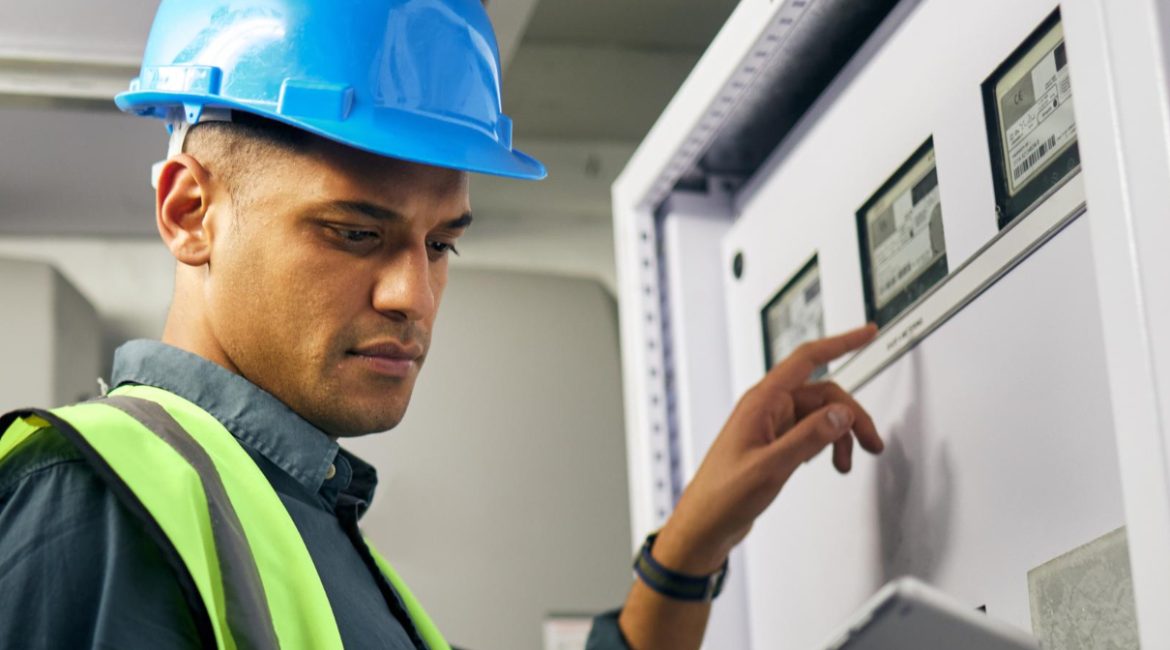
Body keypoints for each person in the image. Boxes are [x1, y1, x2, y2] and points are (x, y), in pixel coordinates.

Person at [0, 1, 884, 649]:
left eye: (441, 244)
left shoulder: (302, 525)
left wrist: (690, 547)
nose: (411, 295)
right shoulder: (91, 504)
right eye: (355, 233)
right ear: (192, 212)